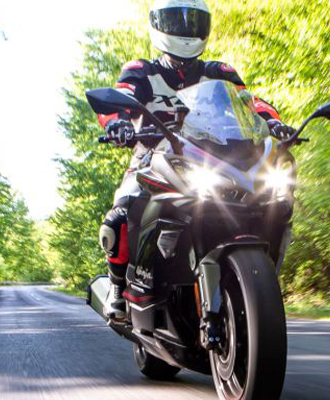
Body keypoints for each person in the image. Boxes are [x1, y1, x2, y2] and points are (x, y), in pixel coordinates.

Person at [96, 0, 296, 319]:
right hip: (152, 156)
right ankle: (118, 287)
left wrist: (274, 122)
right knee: (120, 214)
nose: (185, 29)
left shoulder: (219, 72)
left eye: (193, 22)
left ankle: (254, 282)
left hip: (213, 159)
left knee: (271, 198)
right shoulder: (142, 71)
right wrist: (117, 124)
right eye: (176, 21)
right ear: (159, 25)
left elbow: (250, 103)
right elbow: (119, 100)